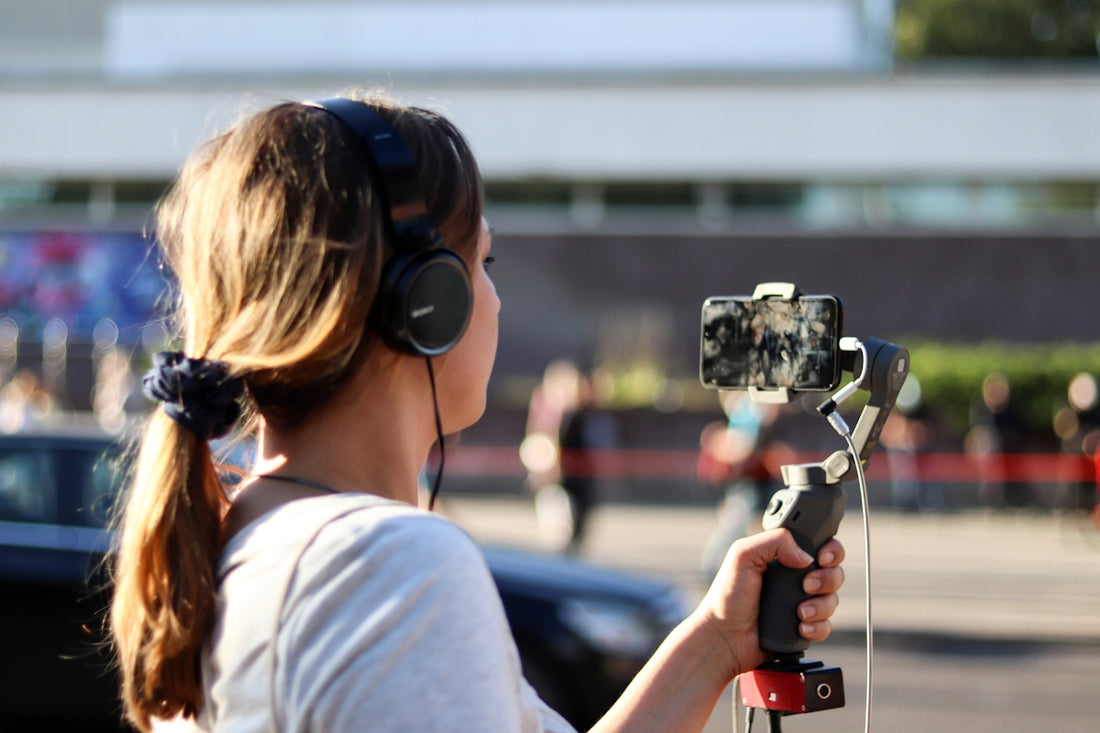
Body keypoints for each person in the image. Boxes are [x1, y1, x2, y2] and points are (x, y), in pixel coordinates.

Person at [108, 91, 845, 733]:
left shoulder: (250, 530)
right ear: (425, 303)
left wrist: (718, 639)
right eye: (482, 262)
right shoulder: (391, 568)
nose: (495, 296)